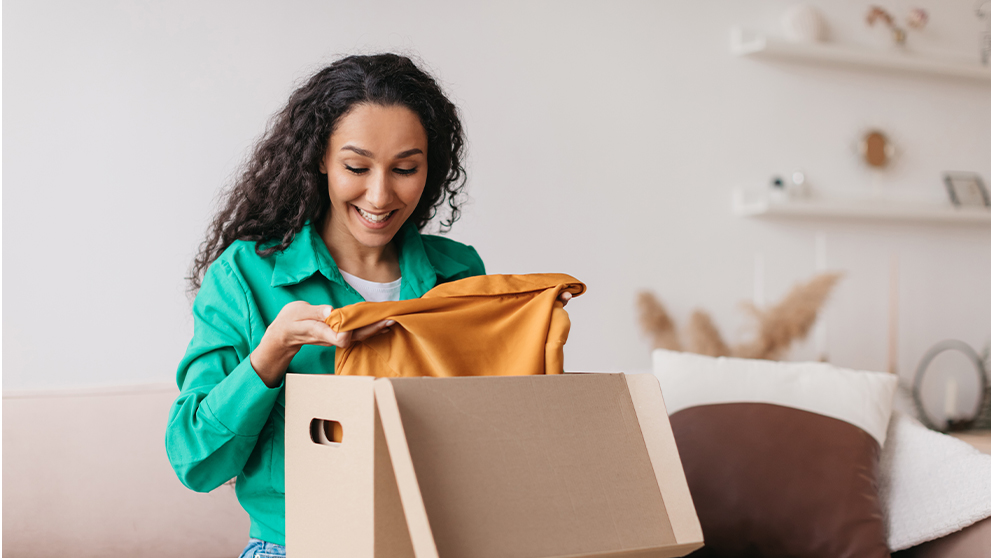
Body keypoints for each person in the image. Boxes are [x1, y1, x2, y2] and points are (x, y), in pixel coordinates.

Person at [166, 53, 570, 558]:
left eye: (405, 169)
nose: (379, 196)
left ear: (431, 169)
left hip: (440, 543)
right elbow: (195, 461)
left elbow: (491, 434)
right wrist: (273, 352)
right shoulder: (245, 275)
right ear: (320, 159)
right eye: (356, 167)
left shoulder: (461, 272)